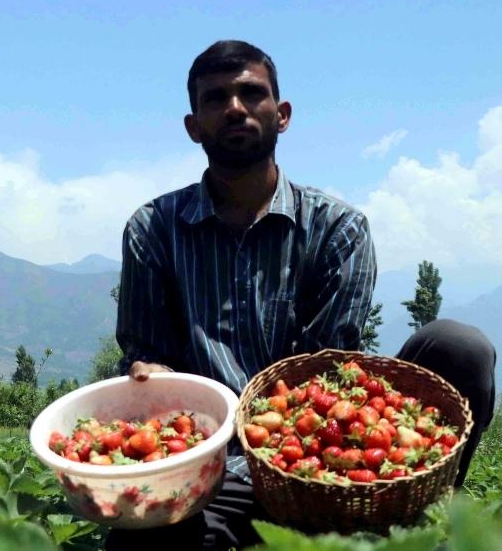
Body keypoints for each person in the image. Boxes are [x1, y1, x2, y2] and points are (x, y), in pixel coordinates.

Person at [110, 41, 496, 550]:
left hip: (323, 453)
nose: (234, 108)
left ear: (282, 114)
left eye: (251, 93)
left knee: (458, 347)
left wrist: (308, 452)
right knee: (142, 541)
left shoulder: (337, 229)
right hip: (211, 465)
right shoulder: (154, 229)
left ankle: (415, 511)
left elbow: (324, 376)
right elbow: (146, 352)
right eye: (215, 98)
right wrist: (148, 373)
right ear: (194, 126)